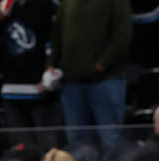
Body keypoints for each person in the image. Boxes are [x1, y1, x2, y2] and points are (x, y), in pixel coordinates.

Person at [51, 0, 131, 152]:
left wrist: (103, 63)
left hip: (106, 79)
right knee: (76, 141)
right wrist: (52, 64)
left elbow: (122, 33)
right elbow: (57, 33)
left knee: (109, 138)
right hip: (71, 80)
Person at [0, 0, 63, 153]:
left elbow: (56, 40)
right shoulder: (6, 7)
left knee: (47, 149)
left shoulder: (48, 6)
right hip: (10, 87)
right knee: (20, 150)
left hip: (39, 86)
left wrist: (51, 70)